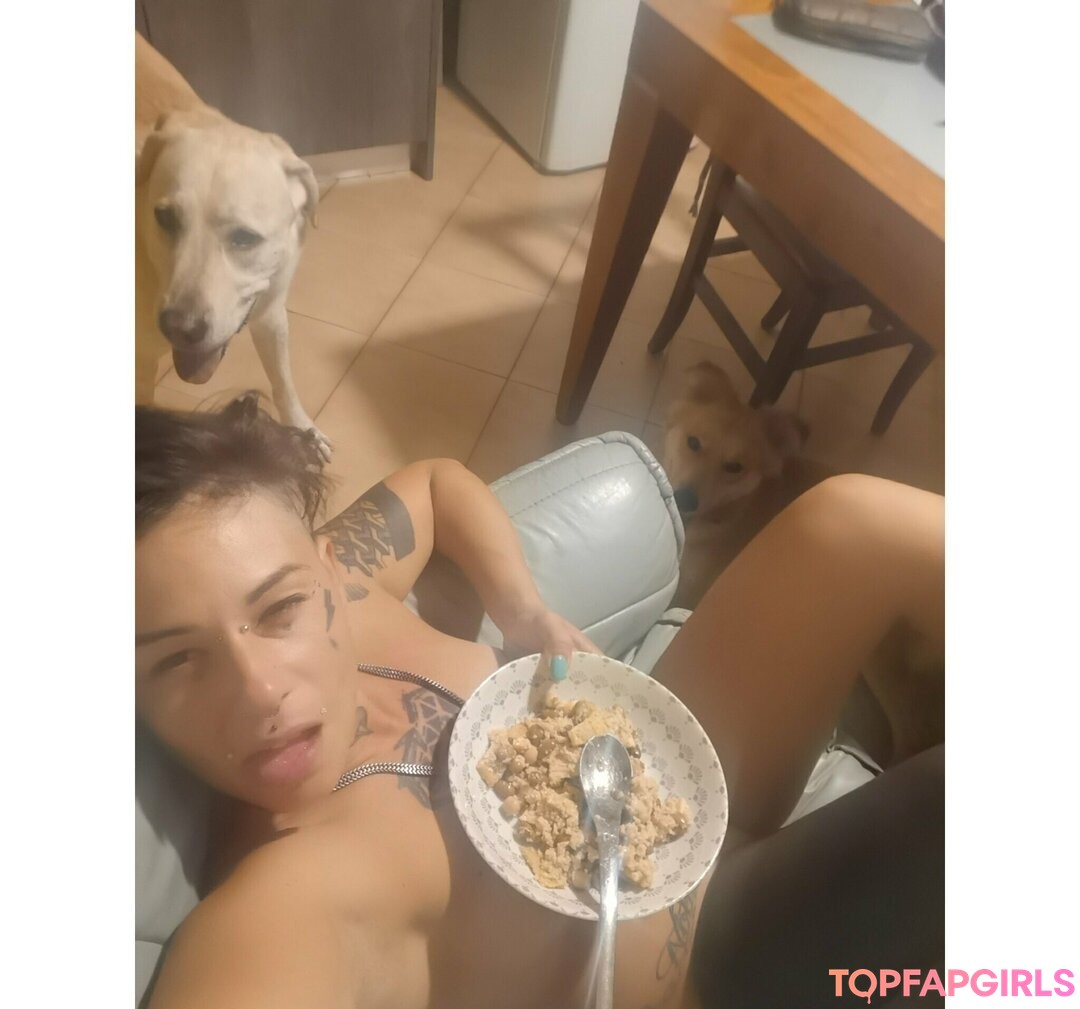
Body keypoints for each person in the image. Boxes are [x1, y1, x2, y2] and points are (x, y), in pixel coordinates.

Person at [135, 394, 944, 1009]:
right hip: (703, 958)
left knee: (854, 519)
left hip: (680, 779)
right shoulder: (285, 902)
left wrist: (521, 610)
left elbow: (438, 483)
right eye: (177, 660)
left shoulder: (342, 579)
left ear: (322, 569)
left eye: (279, 609)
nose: (260, 689)